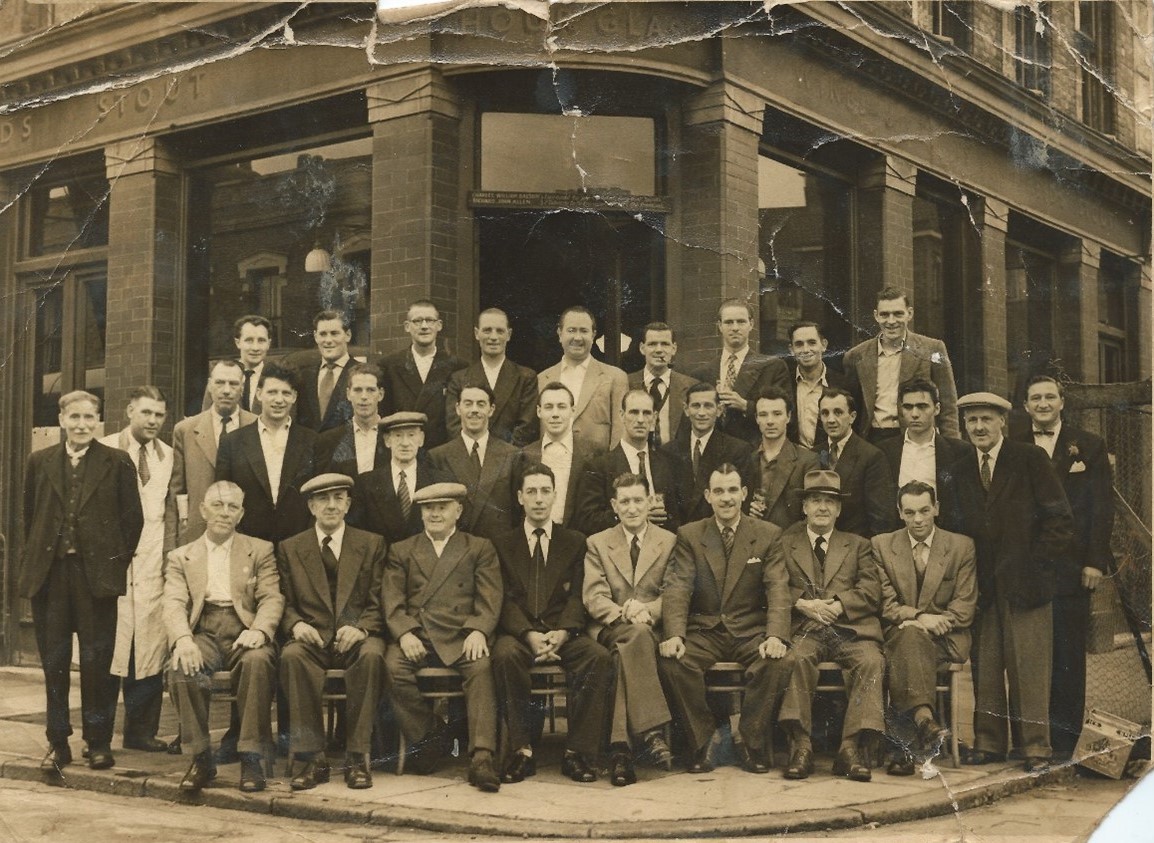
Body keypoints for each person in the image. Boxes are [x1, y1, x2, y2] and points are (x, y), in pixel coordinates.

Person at [943, 392, 1073, 773]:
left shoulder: (1029, 459)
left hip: (1027, 586)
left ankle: (1036, 748)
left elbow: (1059, 520)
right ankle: (989, 743)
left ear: (1003, 422)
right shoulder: (960, 466)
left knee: (1029, 669)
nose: (979, 427)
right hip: (982, 587)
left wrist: (1035, 567)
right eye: (971, 421)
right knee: (986, 666)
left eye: (986, 419)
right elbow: (954, 525)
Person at [22, 390, 144, 774]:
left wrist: (113, 563)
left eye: (89, 418)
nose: (82, 425)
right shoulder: (40, 461)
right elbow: (30, 516)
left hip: (97, 579)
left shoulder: (117, 462)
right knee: (55, 662)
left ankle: (98, 742)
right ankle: (58, 743)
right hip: (51, 576)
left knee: (97, 662)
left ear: (99, 422)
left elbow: (133, 521)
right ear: (61, 420)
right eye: (74, 418)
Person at [658, 463, 794, 775]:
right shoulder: (691, 535)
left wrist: (775, 636)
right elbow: (678, 587)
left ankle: (748, 739)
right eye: (718, 491)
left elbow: (777, 588)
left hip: (749, 630)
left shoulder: (767, 535)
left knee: (779, 662)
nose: (726, 498)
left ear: (744, 493)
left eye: (733, 490)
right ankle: (706, 739)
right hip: (705, 630)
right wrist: (676, 635)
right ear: (708, 495)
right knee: (673, 662)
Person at [491, 464, 613, 785]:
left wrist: (564, 631)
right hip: (520, 633)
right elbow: (501, 598)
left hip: (563, 631)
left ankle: (577, 753)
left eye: (546, 491)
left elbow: (579, 595)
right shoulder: (502, 544)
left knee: (597, 656)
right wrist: (528, 634)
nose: (539, 499)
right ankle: (522, 750)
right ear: (520, 497)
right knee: (503, 656)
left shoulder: (574, 541)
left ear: (556, 495)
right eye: (531, 491)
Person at [1014, 374, 1115, 760]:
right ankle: (1029, 740)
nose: (1042, 404)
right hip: (1029, 566)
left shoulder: (1088, 446)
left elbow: (1101, 509)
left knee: (1068, 654)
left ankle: (1064, 741)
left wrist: (1094, 562)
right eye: (1035, 397)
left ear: (1061, 402)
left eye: (1049, 397)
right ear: (1025, 406)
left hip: (1073, 567)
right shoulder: (1015, 445)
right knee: (1030, 653)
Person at [381, 483, 503, 793]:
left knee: (481, 667)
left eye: (442, 507)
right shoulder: (402, 549)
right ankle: (431, 734)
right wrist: (405, 632)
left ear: (458, 511)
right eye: (428, 508)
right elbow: (392, 601)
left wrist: (478, 629)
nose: (435, 513)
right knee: (392, 669)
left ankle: (482, 756)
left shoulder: (478, 547)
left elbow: (490, 597)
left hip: (461, 634)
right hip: (418, 635)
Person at [163, 481, 282, 793]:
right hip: (203, 630)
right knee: (181, 668)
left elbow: (271, 597)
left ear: (241, 514)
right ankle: (201, 758)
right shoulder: (182, 556)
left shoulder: (260, 550)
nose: (224, 513)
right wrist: (183, 640)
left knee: (257, 663)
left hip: (244, 629)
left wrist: (259, 630)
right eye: (217, 505)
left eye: (232, 507)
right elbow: (173, 602)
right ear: (203, 510)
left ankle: (251, 756)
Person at [277, 473, 387, 790]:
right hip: (312, 637)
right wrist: (296, 624)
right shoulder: (290, 548)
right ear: (311, 506)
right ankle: (315, 759)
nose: (331, 505)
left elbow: (380, 598)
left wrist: (363, 628)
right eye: (323, 499)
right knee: (293, 656)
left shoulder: (371, 543)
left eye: (339, 498)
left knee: (371, 656)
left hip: (356, 636)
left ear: (348, 504)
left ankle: (357, 758)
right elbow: (282, 599)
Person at [778, 470, 884, 782]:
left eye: (829, 501)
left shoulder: (858, 545)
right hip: (806, 628)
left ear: (838, 509)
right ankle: (801, 745)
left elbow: (871, 590)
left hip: (849, 628)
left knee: (872, 661)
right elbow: (773, 586)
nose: (822, 507)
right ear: (804, 507)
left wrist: (838, 605)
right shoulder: (785, 544)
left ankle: (851, 748)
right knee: (794, 659)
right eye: (815, 500)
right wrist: (802, 603)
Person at [873, 481, 977, 776]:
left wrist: (921, 623)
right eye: (909, 512)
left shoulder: (961, 546)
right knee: (907, 642)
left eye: (924, 511)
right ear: (899, 513)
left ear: (936, 509)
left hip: (947, 639)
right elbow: (884, 603)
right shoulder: (881, 545)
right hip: (901, 635)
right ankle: (922, 720)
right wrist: (921, 617)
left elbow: (964, 608)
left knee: (908, 644)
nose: (917, 519)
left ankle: (905, 745)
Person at [583, 473, 676, 784]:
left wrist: (647, 611)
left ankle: (620, 749)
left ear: (650, 502)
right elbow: (594, 596)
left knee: (629, 650)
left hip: (649, 627)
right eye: (625, 501)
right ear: (614, 505)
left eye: (638, 500)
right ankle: (651, 730)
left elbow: (673, 592)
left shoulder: (669, 541)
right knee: (633, 636)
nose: (632, 508)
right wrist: (624, 611)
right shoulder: (597, 542)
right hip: (612, 625)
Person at [99, 386, 173, 753]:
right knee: (108, 649)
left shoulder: (169, 456)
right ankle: (98, 735)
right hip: (111, 562)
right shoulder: (106, 448)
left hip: (152, 561)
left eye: (159, 415)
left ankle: (141, 732)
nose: (153, 421)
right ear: (130, 410)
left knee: (149, 648)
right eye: (146, 413)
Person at [215, 363, 316, 545]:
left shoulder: (312, 441)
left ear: (294, 397)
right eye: (272, 392)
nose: (279, 400)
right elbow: (224, 496)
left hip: (299, 544)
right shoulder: (232, 442)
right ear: (259, 394)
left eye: (286, 393)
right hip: (247, 544)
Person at [841, 287, 960, 441]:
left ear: (909, 314)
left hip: (915, 438)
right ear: (876, 316)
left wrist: (952, 446)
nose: (891, 321)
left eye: (898, 314)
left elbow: (948, 405)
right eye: (884, 315)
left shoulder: (932, 348)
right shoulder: (856, 356)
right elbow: (851, 407)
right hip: (872, 440)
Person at [167, 360, 257, 551]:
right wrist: (171, 544)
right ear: (209, 385)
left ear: (242, 388)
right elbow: (176, 490)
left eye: (233, 384)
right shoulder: (186, 430)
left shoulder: (257, 426)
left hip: (246, 535)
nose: (226, 390)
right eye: (219, 383)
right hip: (197, 535)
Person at [573, 389, 680, 536]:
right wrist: (635, 515)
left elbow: (679, 516)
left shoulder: (669, 463)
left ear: (654, 418)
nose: (640, 419)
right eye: (634, 412)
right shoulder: (599, 467)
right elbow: (587, 520)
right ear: (622, 415)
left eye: (647, 413)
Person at [429, 382, 524, 541]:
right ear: (458, 409)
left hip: (499, 547)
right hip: (456, 549)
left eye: (481, 404)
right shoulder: (438, 456)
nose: (474, 410)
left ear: (491, 410)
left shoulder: (511, 454)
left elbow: (519, 510)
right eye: (468, 404)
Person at [690, 299, 789, 445]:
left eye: (741, 322)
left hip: (754, 450)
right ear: (720, 326)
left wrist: (745, 405)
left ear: (751, 324)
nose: (735, 328)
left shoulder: (773, 367)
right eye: (729, 322)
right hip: (714, 452)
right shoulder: (701, 373)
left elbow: (785, 414)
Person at [876, 378, 973, 520]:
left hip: (943, 532)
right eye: (908, 407)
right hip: (898, 533)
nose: (914, 414)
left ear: (937, 408)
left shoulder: (960, 451)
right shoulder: (884, 451)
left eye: (922, 406)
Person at [537, 306, 629, 451]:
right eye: (571, 330)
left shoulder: (615, 377)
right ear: (560, 334)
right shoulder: (542, 379)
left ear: (593, 335)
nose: (578, 337)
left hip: (598, 468)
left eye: (584, 331)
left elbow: (620, 432)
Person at [379, 300, 468, 450]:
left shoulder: (457, 366)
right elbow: (384, 414)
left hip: (442, 453)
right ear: (407, 326)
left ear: (439, 325)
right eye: (417, 321)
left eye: (430, 321)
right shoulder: (389, 366)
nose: (424, 326)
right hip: (404, 450)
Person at [660, 382, 752, 524]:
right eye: (696, 406)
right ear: (686, 409)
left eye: (708, 406)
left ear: (719, 410)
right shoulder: (669, 451)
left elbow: (741, 504)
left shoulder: (737, 450)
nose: (701, 413)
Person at [349, 412, 449, 543]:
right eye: (398, 436)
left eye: (411, 435)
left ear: (421, 439)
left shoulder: (440, 482)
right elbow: (359, 536)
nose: (405, 443)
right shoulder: (365, 484)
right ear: (387, 441)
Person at [445, 307, 538, 447]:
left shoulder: (525, 377)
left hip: (510, 459)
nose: (493, 337)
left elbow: (526, 427)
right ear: (477, 333)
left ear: (509, 334)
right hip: (469, 457)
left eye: (500, 331)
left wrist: (500, 456)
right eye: (487, 330)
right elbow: (454, 426)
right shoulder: (458, 379)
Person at [817, 387, 896, 538]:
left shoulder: (871, 456)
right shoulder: (815, 454)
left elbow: (881, 518)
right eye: (825, 413)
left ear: (852, 417)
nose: (831, 420)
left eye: (838, 412)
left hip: (856, 546)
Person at [739, 388, 819, 530]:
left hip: (791, 545)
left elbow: (812, 515)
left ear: (788, 417)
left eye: (777, 414)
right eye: (763, 415)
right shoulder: (747, 459)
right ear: (756, 418)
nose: (770, 421)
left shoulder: (808, 461)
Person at [522, 383, 598, 531]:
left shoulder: (592, 454)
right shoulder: (525, 454)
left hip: (578, 538)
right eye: (549, 407)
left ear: (573, 411)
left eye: (562, 407)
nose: (555, 414)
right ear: (539, 411)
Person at [784, 321, 853, 450]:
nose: (805, 350)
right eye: (799, 344)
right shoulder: (784, 382)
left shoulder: (843, 384)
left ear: (824, 345)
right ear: (791, 350)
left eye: (812, 342)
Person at [626, 322, 695, 447]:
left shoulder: (690, 386)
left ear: (673, 349)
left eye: (665, 344)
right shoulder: (626, 383)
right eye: (652, 344)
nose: (659, 350)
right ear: (642, 348)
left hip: (675, 461)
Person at [314, 362, 389, 476]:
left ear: (381, 394)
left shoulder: (393, 435)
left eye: (370, 390)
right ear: (348, 394)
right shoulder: (329, 440)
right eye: (358, 390)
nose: (364, 397)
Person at [295, 310, 356, 433]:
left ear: (348, 335)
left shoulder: (362, 374)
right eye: (323, 334)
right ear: (315, 336)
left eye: (334, 333)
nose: (328, 340)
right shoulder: (304, 376)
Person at [200, 315, 273, 415]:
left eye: (261, 341)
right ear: (238, 343)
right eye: (249, 340)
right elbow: (206, 416)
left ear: (268, 343)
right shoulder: (220, 375)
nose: (255, 347)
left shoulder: (275, 377)